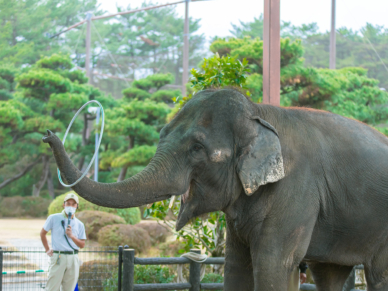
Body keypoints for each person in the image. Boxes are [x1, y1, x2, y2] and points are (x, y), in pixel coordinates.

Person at [40, 192, 86, 291]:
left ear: (77, 206)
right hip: (58, 256)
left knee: (70, 288)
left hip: (73, 257)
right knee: (52, 287)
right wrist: (47, 249)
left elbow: (82, 244)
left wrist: (72, 236)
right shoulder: (54, 218)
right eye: (68, 203)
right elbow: (43, 233)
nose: (70, 206)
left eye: (73, 204)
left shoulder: (80, 224)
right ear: (63, 204)